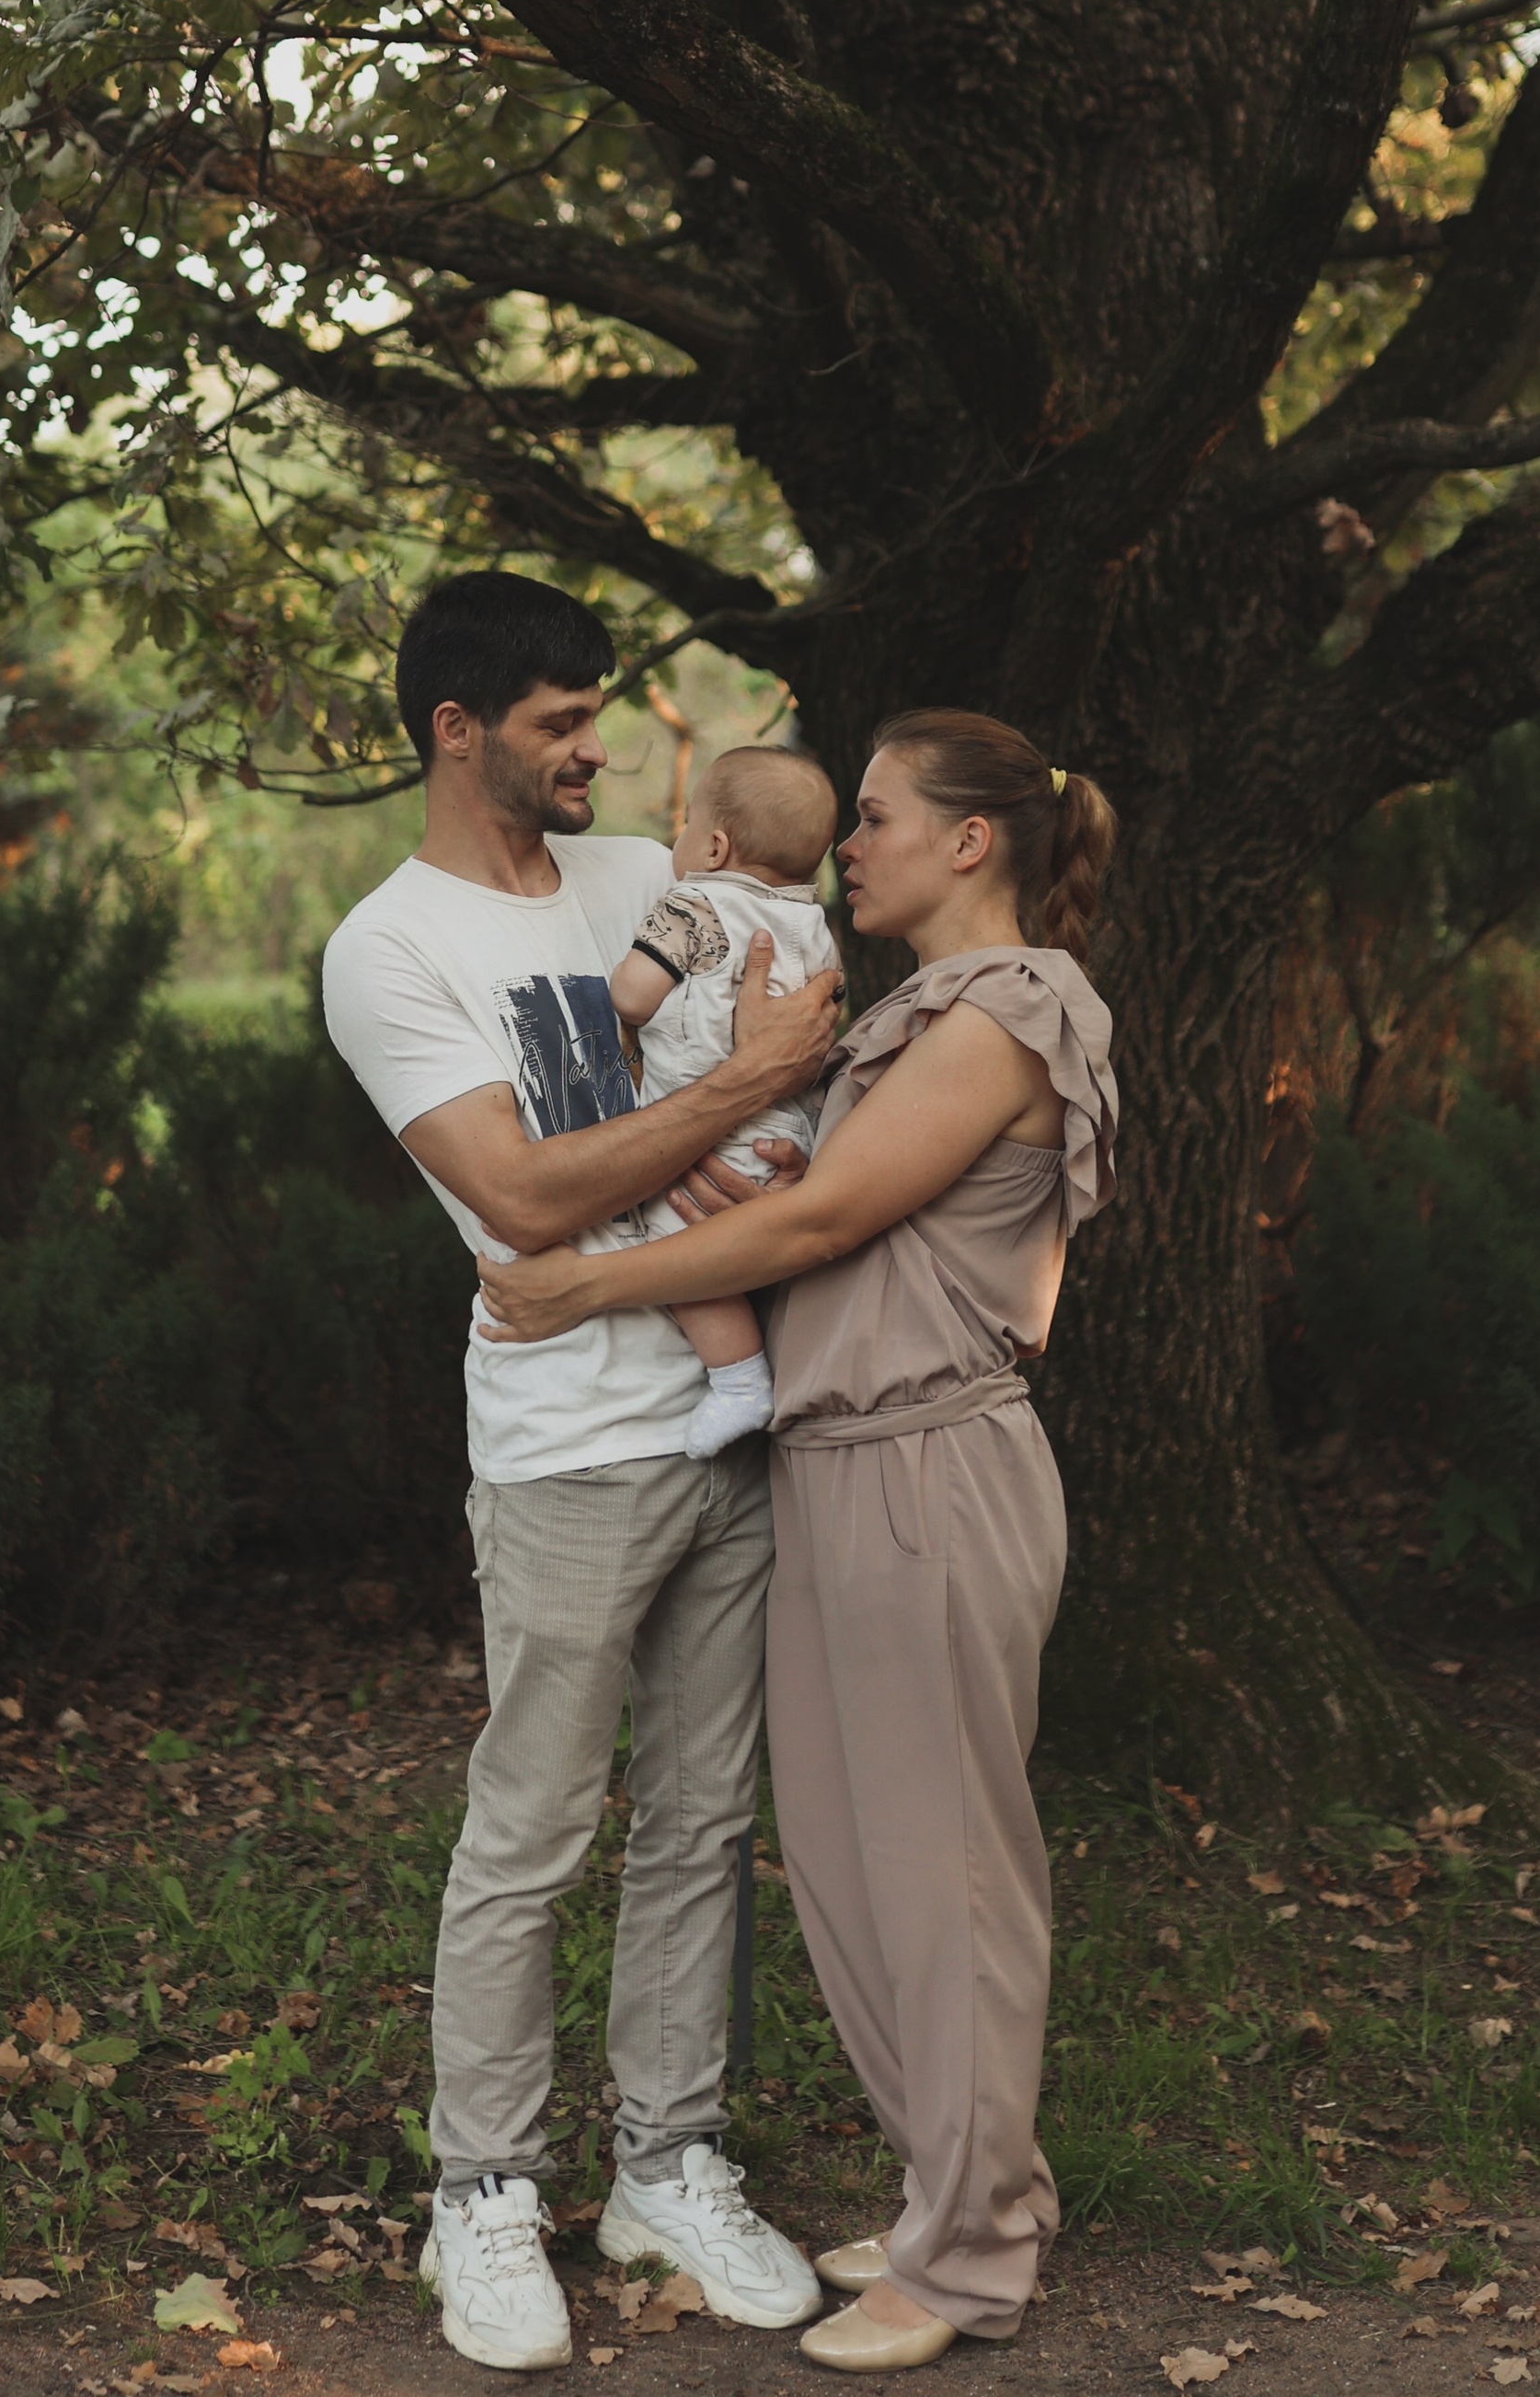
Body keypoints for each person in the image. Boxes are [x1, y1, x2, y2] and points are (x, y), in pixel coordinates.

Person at [480, 710, 1119, 2372]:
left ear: (972, 840)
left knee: (945, 1873)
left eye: (882, 816)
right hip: (831, 1466)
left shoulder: (1017, 1006)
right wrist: (693, 1169)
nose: (851, 843)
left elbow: (834, 1217)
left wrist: (581, 1277)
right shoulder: (897, 1012)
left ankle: (971, 2257)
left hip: (931, 1473)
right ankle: (954, 2194)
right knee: (849, 1865)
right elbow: (783, 1193)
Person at [320, 573, 844, 2371]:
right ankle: (480, 2189)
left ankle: (664, 2165)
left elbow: (792, 1037)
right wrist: (738, 1089)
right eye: (556, 721)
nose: (592, 749)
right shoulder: (388, 948)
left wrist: (753, 1093)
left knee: (702, 1820)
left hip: (736, 1423)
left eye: (592, 718)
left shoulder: (647, 881)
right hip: (562, 1455)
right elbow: (526, 1195)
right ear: (455, 726)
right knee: (530, 1831)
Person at [606, 745, 843, 1457]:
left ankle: (739, 1382)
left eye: (684, 826)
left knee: (677, 1251)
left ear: (714, 845)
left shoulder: (694, 901)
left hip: (708, 1136)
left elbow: (632, 994)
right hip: (789, 1139)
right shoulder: (814, 924)